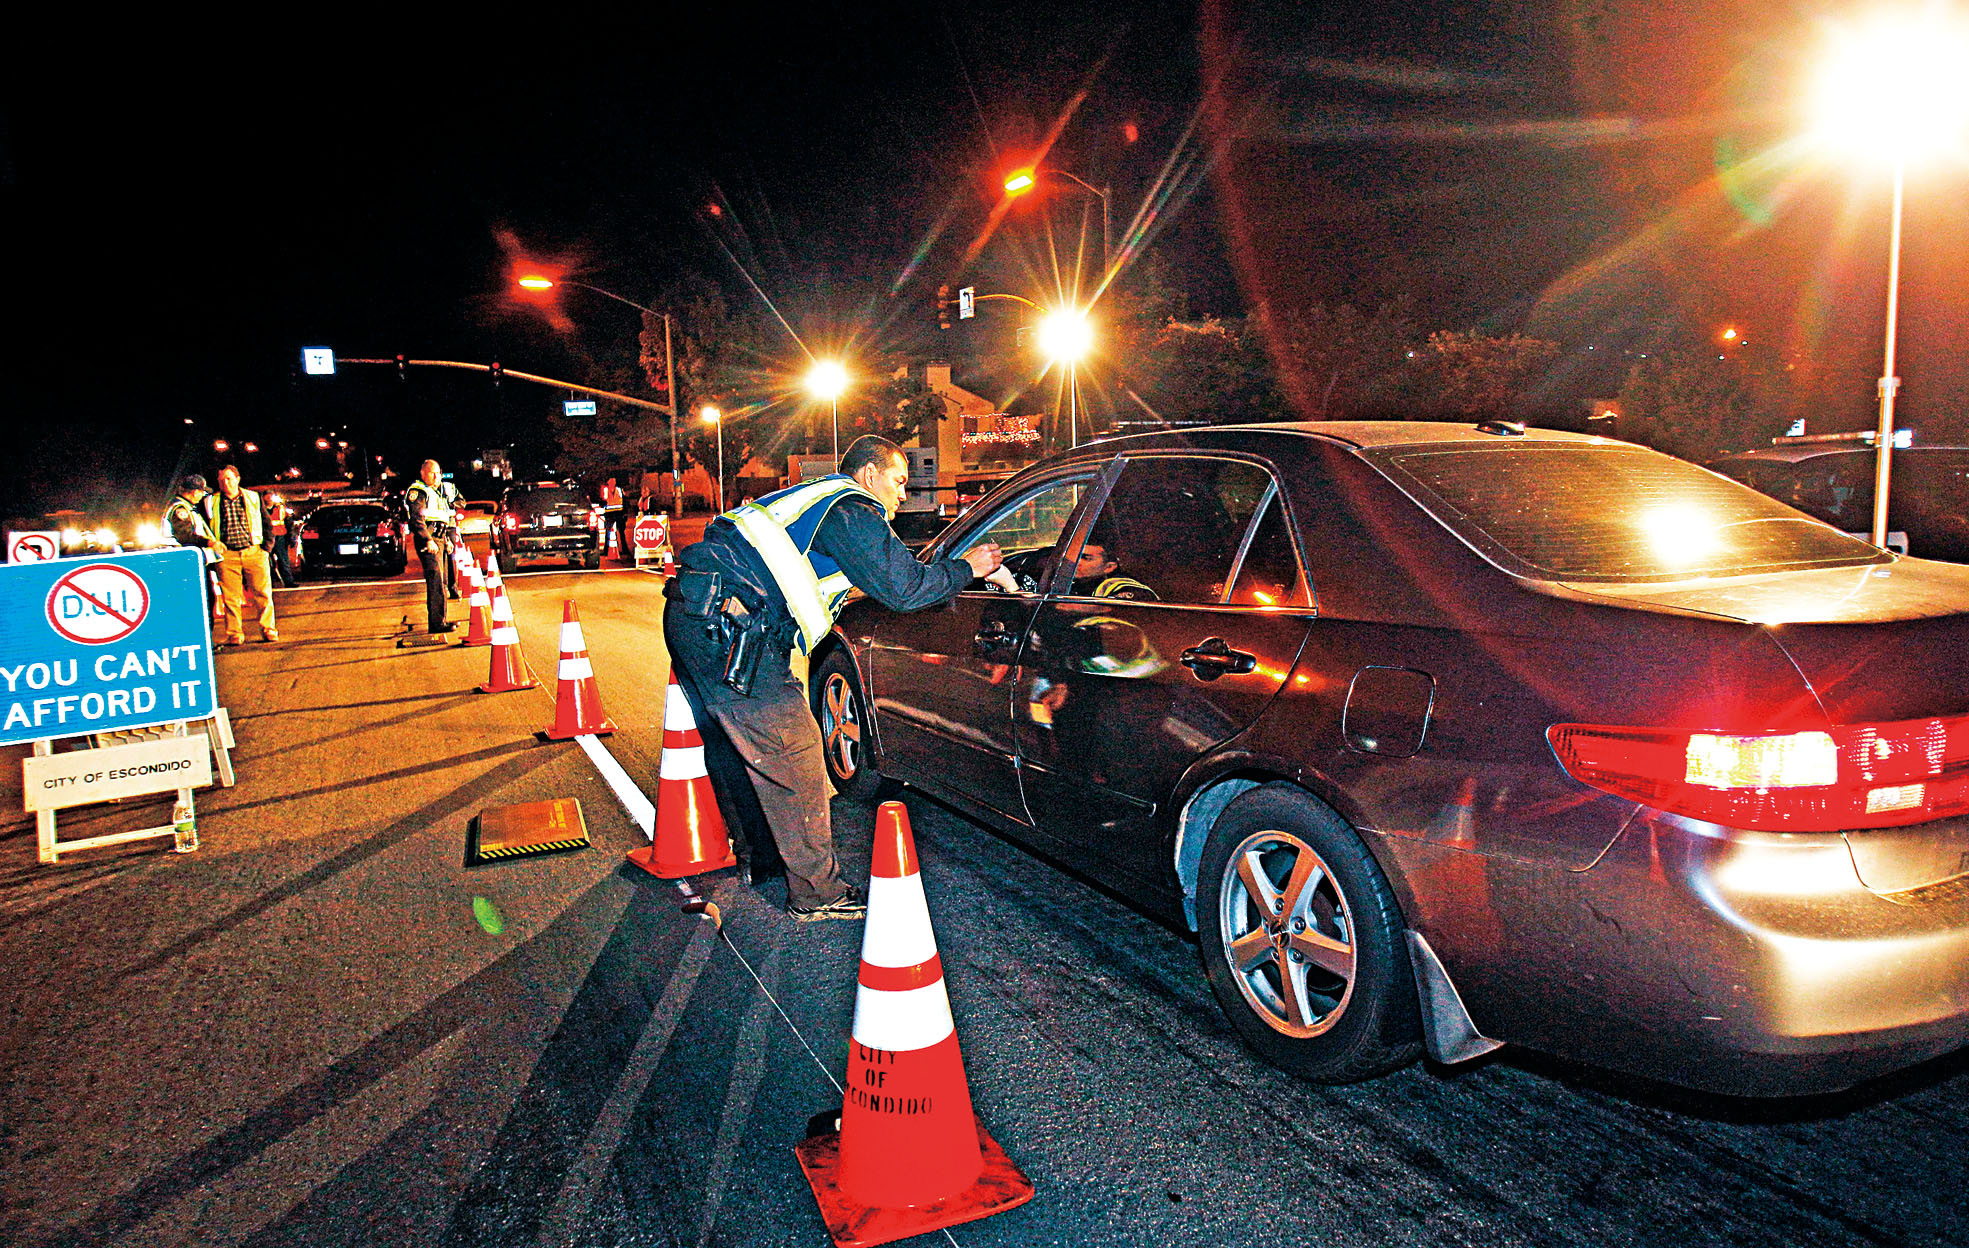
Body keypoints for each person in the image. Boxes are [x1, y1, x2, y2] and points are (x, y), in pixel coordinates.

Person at [664, 434, 1003, 921]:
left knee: (737, 748)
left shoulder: (818, 504)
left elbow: (884, 571)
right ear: (869, 475)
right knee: (796, 750)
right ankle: (816, 893)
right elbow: (905, 589)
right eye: (898, 480)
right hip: (730, 628)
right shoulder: (850, 507)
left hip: (696, 614)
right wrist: (967, 568)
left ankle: (761, 861)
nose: (903, 494)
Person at [197, 464, 278, 644]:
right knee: (230, 597)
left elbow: (266, 524)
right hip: (227, 555)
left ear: (237, 479)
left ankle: (268, 629)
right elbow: (203, 525)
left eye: (229, 479)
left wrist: (266, 548)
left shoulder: (253, 498)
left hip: (254, 552)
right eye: (222, 480)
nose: (226, 483)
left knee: (263, 594)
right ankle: (235, 633)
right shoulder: (211, 501)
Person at [404, 459, 458, 634]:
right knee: (435, 580)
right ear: (423, 473)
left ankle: (441, 620)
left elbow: (440, 518)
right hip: (429, 538)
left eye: (438, 473)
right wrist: (428, 539)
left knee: (441, 582)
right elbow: (417, 519)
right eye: (431, 472)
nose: (436, 476)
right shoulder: (418, 491)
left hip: (439, 538)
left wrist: (446, 540)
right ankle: (436, 624)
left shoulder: (434, 492)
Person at [265, 494, 298, 588]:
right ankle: (269, 583)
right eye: (267, 496)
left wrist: (291, 537)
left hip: (280, 537)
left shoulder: (281, 509)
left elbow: (289, 523)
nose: (269, 499)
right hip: (266, 538)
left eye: (271, 496)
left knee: (283, 561)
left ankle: (288, 582)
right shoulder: (259, 509)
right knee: (267, 563)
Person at [601, 476, 626, 562]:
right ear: (608, 482)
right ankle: (606, 550)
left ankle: (624, 549)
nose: (612, 482)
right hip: (609, 514)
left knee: (621, 532)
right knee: (608, 533)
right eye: (611, 481)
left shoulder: (619, 490)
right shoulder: (605, 490)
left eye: (614, 481)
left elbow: (624, 500)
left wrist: (624, 513)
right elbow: (603, 501)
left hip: (619, 513)